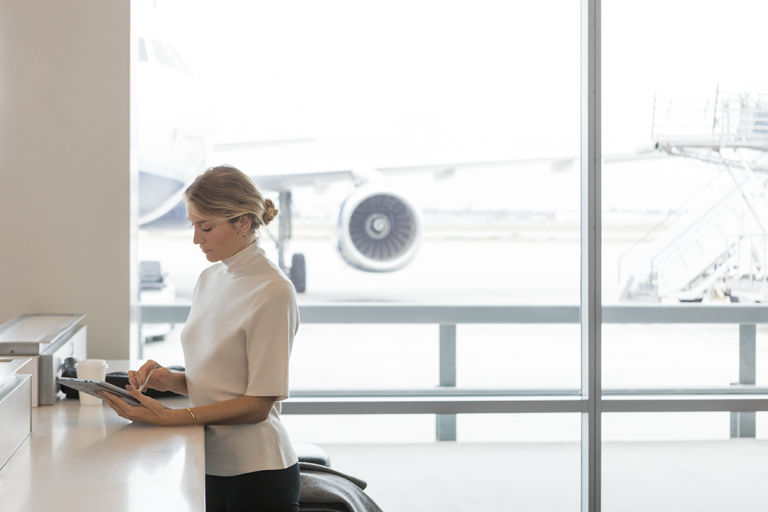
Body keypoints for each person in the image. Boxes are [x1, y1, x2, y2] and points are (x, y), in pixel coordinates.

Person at [100, 165, 300, 512]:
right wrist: (171, 379)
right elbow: (224, 382)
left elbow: (258, 404)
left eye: (205, 226)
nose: (196, 238)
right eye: (193, 225)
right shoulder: (210, 277)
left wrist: (170, 417)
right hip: (206, 462)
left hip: (257, 473)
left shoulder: (273, 290)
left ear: (243, 222)